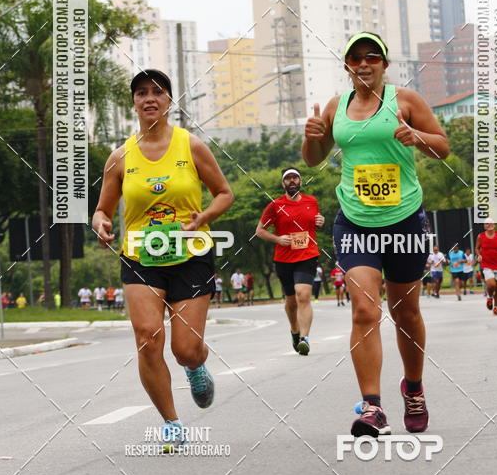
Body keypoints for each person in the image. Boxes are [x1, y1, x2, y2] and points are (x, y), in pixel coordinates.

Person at [303, 30, 449, 436]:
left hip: (404, 220)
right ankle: (372, 408)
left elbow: (443, 146)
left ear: (385, 64)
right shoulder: (336, 107)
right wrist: (311, 138)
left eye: (372, 57)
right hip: (355, 222)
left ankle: (414, 388)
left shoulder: (406, 101)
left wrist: (415, 136)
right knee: (365, 310)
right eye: (355, 58)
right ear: (347, 66)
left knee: (405, 313)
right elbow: (314, 160)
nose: (363, 63)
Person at [92, 68, 234, 445]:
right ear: (134, 103)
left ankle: (196, 367)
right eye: (141, 93)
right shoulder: (120, 157)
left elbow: (224, 193)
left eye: (157, 91)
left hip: (191, 254)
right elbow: (103, 209)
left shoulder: (192, 146)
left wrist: (204, 217)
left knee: (184, 349)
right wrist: (101, 222)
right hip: (140, 256)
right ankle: (172, 423)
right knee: (147, 338)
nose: (149, 98)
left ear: (170, 101)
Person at [256, 167, 325, 354]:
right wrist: (278, 239)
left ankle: (305, 338)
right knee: (291, 300)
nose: (292, 181)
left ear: (300, 182)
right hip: (284, 258)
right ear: (283, 183)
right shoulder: (275, 205)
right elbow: (260, 231)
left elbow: (315, 223)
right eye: (288, 178)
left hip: (308, 254)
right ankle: (294, 330)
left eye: (295, 178)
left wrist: (320, 221)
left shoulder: (312, 201)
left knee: (302, 294)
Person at [475, 222, 497, 315]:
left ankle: (496, 307)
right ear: (484, 226)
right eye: (486, 224)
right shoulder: (480, 236)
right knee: (491, 284)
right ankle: (489, 297)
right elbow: (477, 248)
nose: (488, 225)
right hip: (487, 264)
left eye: (490, 223)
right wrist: (479, 255)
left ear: (494, 225)